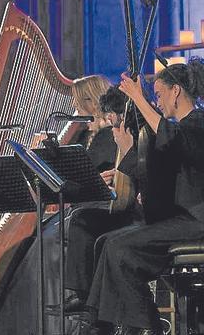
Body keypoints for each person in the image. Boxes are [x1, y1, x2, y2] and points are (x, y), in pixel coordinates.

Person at [85, 59, 204, 334]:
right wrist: (129, 153)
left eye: (160, 95)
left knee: (120, 249)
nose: (158, 102)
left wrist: (138, 98)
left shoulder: (197, 122)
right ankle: (100, 323)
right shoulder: (182, 129)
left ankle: (146, 327)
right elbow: (155, 177)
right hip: (182, 219)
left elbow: (171, 137)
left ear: (176, 91)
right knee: (107, 243)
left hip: (197, 220)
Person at [57, 86, 146, 314]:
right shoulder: (112, 134)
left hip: (142, 214)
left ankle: (93, 308)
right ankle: (89, 305)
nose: (109, 123)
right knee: (82, 221)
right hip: (126, 208)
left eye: (111, 118)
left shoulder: (132, 134)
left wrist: (125, 157)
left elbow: (146, 178)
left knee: (88, 227)